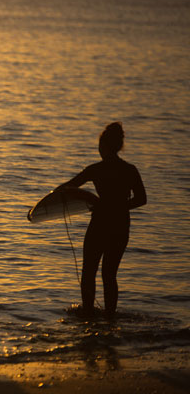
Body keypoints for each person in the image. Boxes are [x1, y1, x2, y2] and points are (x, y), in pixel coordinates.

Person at [57, 122, 146, 318]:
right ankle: (110, 317)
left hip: (99, 223)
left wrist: (55, 196)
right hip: (121, 224)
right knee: (109, 275)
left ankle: (88, 314)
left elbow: (68, 187)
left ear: (103, 147)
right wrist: (119, 206)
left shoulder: (95, 169)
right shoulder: (129, 169)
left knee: (89, 271)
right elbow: (141, 199)